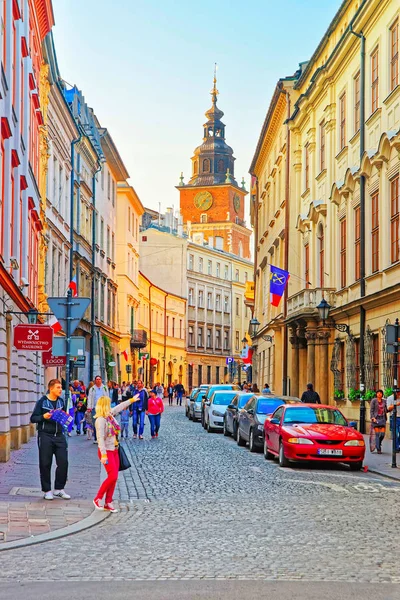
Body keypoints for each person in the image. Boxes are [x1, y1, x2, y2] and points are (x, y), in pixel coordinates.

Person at [93, 394, 139, 512]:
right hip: (106, 451)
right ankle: (98, 498)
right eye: (108, 404)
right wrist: (103, 455)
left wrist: (131, 400)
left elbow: (119, 407)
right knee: (112, 476)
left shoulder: (109, 416)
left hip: (115, 450)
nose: (110, 406)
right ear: (104, 406)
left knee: (114, 477)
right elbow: (100, 439)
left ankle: (108, 502)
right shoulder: (101, 420)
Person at [30, 379, 70, 501]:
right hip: (45, 435)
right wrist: (43, 417)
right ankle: (47, 490)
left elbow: (64, 416)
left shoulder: (61, 402)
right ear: (51, 388)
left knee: (63, 462)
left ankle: (59, 489)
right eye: (58, 387)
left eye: (61, 387)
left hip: (59, 435)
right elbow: (33, 418)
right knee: (45, 463)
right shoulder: (42, 402)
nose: (60, 390)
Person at [370, 390, 394, 454]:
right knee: (377, 434)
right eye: (378, 393)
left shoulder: (384, 401)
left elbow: (386, 410)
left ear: (382, 394)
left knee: (382, 435)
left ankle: (378, 443)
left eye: (380, 393)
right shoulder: (374, 401)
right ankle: (378, 448)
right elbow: (371, 410)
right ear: (376, 394)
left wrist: (390, 408)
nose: (379, 394)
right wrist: (373, 417)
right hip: (376, 419)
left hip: (382, 418)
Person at [87, 376, 109, 443]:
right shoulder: (92, 389)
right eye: (97, 379)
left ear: (101, 380)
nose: (98, 380)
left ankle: (102, 437)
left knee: (103, 423)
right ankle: (96, 438)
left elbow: (107, 397)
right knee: (95, 423)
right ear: (95, 381)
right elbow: (90, 398)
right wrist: (89, 407)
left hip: (102, 408)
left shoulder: (104, 388)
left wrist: (107, 406)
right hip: (95, 408)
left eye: (99, 379)